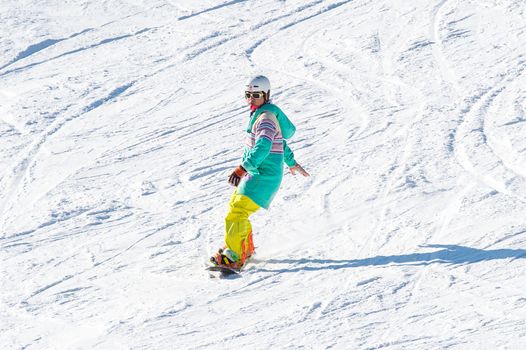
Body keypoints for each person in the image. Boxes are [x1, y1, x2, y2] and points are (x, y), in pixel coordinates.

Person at [211, 75, 310, 270]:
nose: (251, 99)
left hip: (262, 176)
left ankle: (235, 256)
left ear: (266, 94)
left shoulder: (265, 119)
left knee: (237, 212)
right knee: (236, 206)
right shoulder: (264, 115)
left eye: (256, 95)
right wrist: (291, 161)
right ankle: (242, 247)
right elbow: (279, 142)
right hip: (258, 174)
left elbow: (264, 146)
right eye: (247, 95)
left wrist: (242, 168)